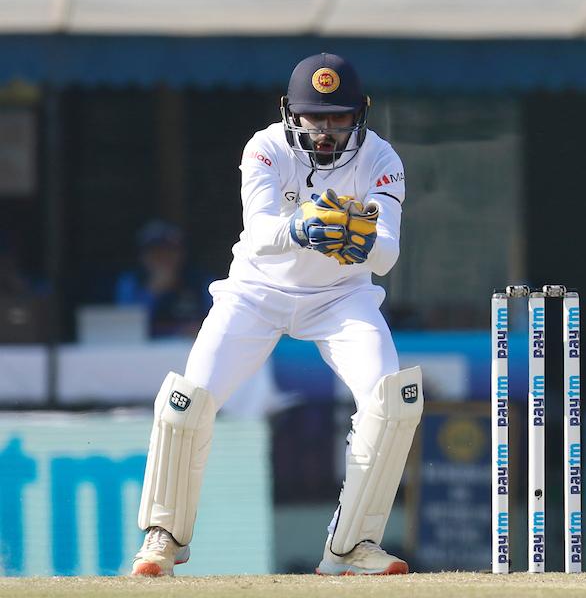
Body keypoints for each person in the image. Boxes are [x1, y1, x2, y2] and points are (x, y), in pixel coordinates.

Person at [130, 53, 419, 577]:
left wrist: (357, 239)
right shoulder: (264, 147)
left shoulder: (382, 158)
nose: (327, 130)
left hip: (341, 296)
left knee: (392, 401)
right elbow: (261, 234)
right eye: (316, 117)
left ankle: (352, 546)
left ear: (361, 114)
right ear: (291, 112)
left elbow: (387, 254)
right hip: (256, 293)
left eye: (339, 117)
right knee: (189, 398)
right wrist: (305, 226)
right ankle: (162, 537)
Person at [114, 220, 213, 338]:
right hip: (142, 353)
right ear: (143, 256)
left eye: (170, 250)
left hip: (189, 350)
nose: (163, 257)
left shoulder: (202, 282)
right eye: (156, 251)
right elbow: (124, 328)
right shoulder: (130, 282)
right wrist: (152, 292)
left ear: (181, 253)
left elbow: (219, 321)